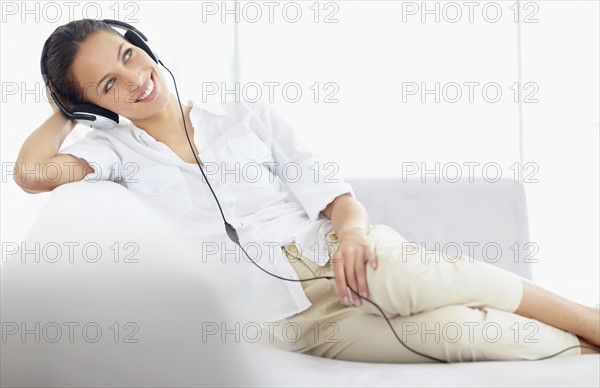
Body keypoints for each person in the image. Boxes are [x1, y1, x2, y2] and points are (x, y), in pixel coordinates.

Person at [14, 19, 600, 363]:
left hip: (334, 253)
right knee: (464, 336)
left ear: (144, 44)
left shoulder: (243, 114)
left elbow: (331, 192)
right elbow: (31, 175)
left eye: (129, 54)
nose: (137, 78)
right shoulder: (110, 155)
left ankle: (590, 319)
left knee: (436, 279)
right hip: (287, 322)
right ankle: (583, 350)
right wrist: (62, 112)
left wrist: (351, 235)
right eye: (109, 84)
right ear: (91, 105)